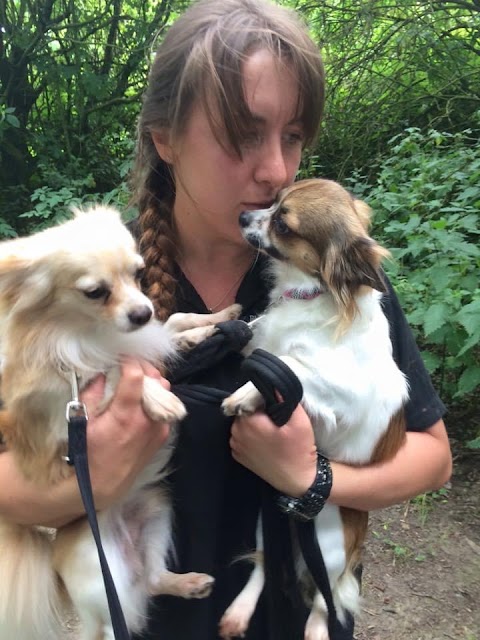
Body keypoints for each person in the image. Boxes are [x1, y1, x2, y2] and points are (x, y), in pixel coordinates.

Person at [0, 0, 451, 639]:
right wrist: (93, 483)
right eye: (242, 135)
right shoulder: (98, 283)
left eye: (292, 136)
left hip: (289, 619)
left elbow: (431, 458)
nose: (276, 170)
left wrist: (312, 477)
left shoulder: (331, 280)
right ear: (165, 138)